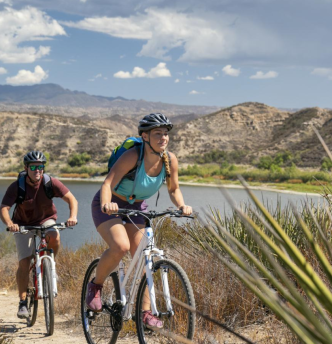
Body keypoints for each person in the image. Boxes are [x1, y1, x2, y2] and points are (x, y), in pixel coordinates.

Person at [86, 113, 192, 329]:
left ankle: (144, 312)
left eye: (165, 134)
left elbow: (174, 189)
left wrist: (182, 206)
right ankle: (95, 286)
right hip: (110, 203)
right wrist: (108, 204)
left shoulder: (169, 159)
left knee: (144, 256)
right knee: (120, 246)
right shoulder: (133, 156)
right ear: (145, 136)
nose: (163, 138)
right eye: (157, 134)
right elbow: (107, 184)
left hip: (136, 207)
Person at [0, 151, 78, 319]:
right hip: (22, 224)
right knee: (24, 262)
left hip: (46, 220)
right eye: (34, 167)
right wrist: (10, 224)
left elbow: (72, 199)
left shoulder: (50, 183)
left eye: (41, 167)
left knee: (54, 236)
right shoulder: (17, 186)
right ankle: (22, 302)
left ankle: (50, 265)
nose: (38, 170)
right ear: (26, 168)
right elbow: (4, 208)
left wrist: (72, 217)